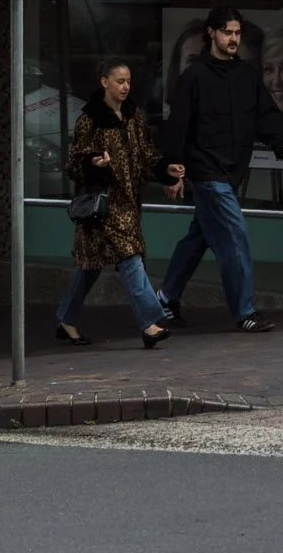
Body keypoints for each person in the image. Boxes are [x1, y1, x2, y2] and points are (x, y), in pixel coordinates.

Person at [157, 6, 283, 332]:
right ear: (212, 33)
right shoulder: (194, 77)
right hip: (207, 174)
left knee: (200, 236)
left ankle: (164, 299)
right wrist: (171, 170)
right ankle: (245, 312)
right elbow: (177, 126)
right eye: (228, 33)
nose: (233, 39)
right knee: (235, 237)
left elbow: (265, 115)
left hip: (232, 171)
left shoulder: (247, 76)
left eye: (237, 33)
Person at [56, 60, 184, 350]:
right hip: (102, 205)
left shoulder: (133, 116)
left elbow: (146, 156)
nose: (125, 86)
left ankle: (66, 317)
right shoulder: (90, 119)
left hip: (128, 202)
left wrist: (167, 170)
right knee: (131, 257)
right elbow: (73, 164)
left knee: (90, 266)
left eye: (128, 81)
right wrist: (94, 163)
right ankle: (150, 322)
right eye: (119, 81)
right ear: (104, 82)